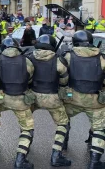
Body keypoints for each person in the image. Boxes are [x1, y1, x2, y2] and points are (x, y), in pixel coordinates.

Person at [60, 31, 105, 169]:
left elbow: (63, 76)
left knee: (63, 121)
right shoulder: (102, 58)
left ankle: (63, 145)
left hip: (72, 98)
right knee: (99, 128)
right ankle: (94, 162)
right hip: (95, 100)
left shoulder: (68, 56)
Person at [28, 35, 71, 167]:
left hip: (33, 96)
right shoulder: (58, 60)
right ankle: (56, 155)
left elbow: (26, 76)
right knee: (63, 124)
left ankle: (25, 146)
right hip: (52, 97)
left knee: (26, 123)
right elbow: (64, 80)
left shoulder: (29, 57)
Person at [0, 37, 35, 169]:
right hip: (20, 99)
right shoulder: (26, 60)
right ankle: (20, 159)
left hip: (2, 97)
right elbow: (30, 77)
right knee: (27, 128)